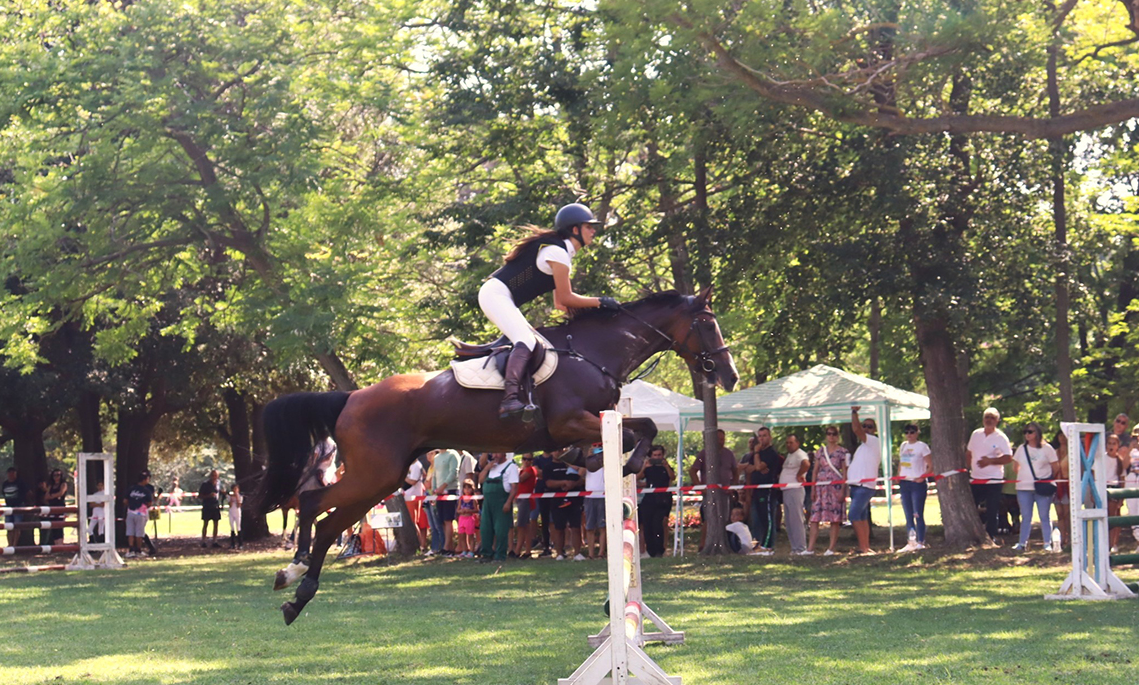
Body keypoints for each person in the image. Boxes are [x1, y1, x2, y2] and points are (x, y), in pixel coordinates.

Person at [479, 203, 617, 420]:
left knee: (536, 342)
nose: (593, 231)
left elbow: (561, 305)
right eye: (588, 226)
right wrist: (600, 302)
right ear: (574, 229)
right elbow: (566, 298)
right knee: (527, 340)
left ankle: (523, 395)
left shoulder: (560, 253)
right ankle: (509, 398)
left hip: (502, 297)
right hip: (496, 295)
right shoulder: (557, 253)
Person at [966, 407, 1012, 542]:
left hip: (994, 479)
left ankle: (991, 536)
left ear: (997, 421)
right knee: (972, 508)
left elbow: (1008, 458)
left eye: (992, 418)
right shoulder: (976, 434)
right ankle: (972, 534)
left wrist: (990, 461)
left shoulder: (1001, 438)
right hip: (976, 478)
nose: (989, 420)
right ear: (983, 419)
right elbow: (968, 453)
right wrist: (967, 468)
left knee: (992, 509)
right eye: (987, 417)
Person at [1011, 422, 1059, 552]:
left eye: (1030, 432)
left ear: (1037, 433)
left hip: (1042, 487)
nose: (1027, 434)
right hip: (1023, 488)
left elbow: (1055, 467)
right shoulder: (1021, 448)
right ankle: (1022, 543)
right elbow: (1015, 467)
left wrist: (1046, 479)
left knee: (1044, 515)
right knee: (1026, 516)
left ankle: (1047, 543)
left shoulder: (1047, 449)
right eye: (1025, 432)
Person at [688, 429, 739, 549]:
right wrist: (701, 488)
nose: (721, 442)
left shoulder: (729, 454)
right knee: (708, 518)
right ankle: (703, 544)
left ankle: (725, 543)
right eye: (718, 439)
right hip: (709, 493)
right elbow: (692, 470)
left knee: (725, 517)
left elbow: (735, 470)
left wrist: (733, 486)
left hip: (725, 492)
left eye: (722, 439)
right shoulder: (704, 454)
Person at [807, 426, 848, 556]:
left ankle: (831, 548)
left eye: (834, 434)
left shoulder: (843, 452)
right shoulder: (820, 451)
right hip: (821, 487)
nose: (831, 436)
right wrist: (813, 487)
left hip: (835, 486)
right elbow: (815, 470)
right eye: (829, 434)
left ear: (838, 436)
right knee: (814, 517)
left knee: (834, 518)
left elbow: (844, 471)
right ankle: (810, 548)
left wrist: (843, 489)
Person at [848, 406, 881, 554]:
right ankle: (866, 546)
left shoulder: (873, 441)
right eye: (864, 426)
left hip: (864, 486)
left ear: (874, 430)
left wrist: (854, 412)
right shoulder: (863, 446)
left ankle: (863, 547)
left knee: (853, 515)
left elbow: (856, 430)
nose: (866, 428)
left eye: (870, 426)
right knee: (862, 516)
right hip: (856, 485)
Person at [745, 427, 781, 554]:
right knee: (755, 520)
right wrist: (756, 466)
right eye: (759, 436)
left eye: (764, 435)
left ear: (770, 437)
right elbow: (749, 469)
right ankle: (756, 546)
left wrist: (757, 456)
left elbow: (759, 466)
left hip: (767, 490)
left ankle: (768, 546)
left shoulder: (771, 453)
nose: (761, 438)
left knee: (767, 519)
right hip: (755, 490)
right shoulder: (757, 453)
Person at [479, 452, 519, 562]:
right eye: (494, 453)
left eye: (497, 453)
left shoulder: (511, 467)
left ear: (504, 454)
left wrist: (508, 502)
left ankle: (500, 555)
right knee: (485, 529)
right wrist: (486, 468)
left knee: (501, 530)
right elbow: (481, 480)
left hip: (502, 502)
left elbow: (514, 487)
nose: (495, 456)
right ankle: (486, 554)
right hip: (487, 503)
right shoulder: (491, 466)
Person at [897, 424, 932, 551]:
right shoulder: (903, 446)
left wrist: (923, 477)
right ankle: (911, 541)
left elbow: (931, 464)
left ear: (917, 433)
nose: (909, 435)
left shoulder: (922, 446)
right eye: (907, 432)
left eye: (912, 432)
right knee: (908, 514)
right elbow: (901, 463)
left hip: (917, 484)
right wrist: (898, 476)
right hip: (905, 482)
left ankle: (920, 541)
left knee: (918, 513)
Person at [546, 451, 585, 561]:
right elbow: (548, 483)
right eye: (555, 450)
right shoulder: (548, 467)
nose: (558, 453)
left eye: (560, 450)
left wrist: (573, 484)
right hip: (557, 501)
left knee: (576, 527)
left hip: (574, 500)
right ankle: (559, 554)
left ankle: (577, 553)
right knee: (559, 528)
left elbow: (581, 479)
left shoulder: (571, 465)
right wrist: (563, 483)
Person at [638, 445, 675, 558]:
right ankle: (651, 551)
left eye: (659, 455)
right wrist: (644, 467)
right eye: (655, 455)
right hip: (649, 499)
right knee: (647, 525)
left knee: (658, 524)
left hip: (663, 499)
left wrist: (666, 465)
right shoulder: (648, 468)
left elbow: (672, 477)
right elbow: (637, 477)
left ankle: (660, 550)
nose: (657, 457)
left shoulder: (666, 467)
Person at [780, 434, 810, 555]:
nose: (788, 445)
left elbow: (806, 464)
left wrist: (799, 475)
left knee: (796, 519)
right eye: (787, 443)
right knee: (789, 520)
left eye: (791, 442)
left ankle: (801, 547)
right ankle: (794, 547)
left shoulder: (800, 454)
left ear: (797, 443)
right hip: (786, 490)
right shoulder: (790, 455)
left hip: (795, 489)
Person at [430, 448, 461, 557]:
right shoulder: (437, 457)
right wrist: (435, 490)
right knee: (442, 520)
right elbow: (434, 475)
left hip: (450, 490)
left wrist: (443, 486)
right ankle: (449, 547)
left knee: (448, 519)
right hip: (439, 493)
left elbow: (453, 472)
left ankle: (446, 547)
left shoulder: (453, 454)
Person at [1104, 433, 1127, 552]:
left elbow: (1122, 479)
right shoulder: (1102, 458)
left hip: (1115, 489)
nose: (1111, 446)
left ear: (1118, 446)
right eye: (1109, 443)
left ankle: (1113, 543)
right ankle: (1105, 543)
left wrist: (1121, 497)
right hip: (1104, 488)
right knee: (1105, 516)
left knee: (1114, 516)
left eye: (1114, 444)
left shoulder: (1119, 460)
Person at [512, 454, 537, 559]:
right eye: (524, 459)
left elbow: (519, 480)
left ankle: (517, 550)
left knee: (521, 525)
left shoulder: (530, 470)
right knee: (525, 526)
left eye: (529, 459)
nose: (526, 461)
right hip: (521, 499)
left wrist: (513, 472)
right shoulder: (523, 470)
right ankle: (527, 551)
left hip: (526, 499)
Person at [582, 448, 606, 559]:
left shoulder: (606, 464)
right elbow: (580, 473)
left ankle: (601, 553)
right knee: (590, 527)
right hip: (589, 497)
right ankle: (591, 554)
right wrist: (587, 459)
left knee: (603, 527)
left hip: (603, 496)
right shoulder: (587, 464)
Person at [125, 471, 155, 558]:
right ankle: (138, 550)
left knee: (130, 532)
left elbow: (125, 501)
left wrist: (132, 505)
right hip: (141, 514)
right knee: (139, 532)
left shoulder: (131, 489)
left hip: (130, 512)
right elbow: (149, 503)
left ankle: (131, 550)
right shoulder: (146, 491)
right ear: (145, 480)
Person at [404, 453, 430, 553]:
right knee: (416, 522)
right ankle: (421, 545)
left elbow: (413, 481)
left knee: (414, 522)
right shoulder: (412, 465)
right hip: (410, 496)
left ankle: (420, 544)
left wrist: (402, 477)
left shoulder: (416, 465)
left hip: (414, 497)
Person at [533, 450, 556, 556]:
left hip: (555, 491)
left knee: (555, 520)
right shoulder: (537, 459)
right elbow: (537, 472)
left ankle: (558, 545)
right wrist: (549, 473)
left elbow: (554, 473)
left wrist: (548, 474)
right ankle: (546, 546)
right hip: (541, 491)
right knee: (544, 520)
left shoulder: (555, 458)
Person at [1051, 430, 1071, 549]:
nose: (1062, 438)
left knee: (1067, 513)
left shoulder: (1072, 452)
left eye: (1064, 435)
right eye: (1060, 435)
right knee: (1060, 514)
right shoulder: (1054, 452)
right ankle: (1063, 537)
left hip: (1068, 485)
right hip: (1057, 485)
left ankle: (1070, 537)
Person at [39, 469, 68, 545]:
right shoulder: (51, 486)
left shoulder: (63, 484)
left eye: (58, 475)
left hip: (60, 507)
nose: (56, 477)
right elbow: (46, 496)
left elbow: (61, 493)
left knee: (59, 526)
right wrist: (54, 496)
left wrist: (52, 496)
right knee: (53, 527)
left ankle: (60, 544)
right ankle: (56, 545)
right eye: (55, 475)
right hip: (52, 507)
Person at [3, 467, 28, 547]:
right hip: (8, 507)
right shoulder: (5, 484)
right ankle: (10, 544)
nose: (11, 474)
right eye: (10, 473)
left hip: (18, 506)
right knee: (8, 526)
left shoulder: (20, 483)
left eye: (13, 473)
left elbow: (26, 493)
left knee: (17, 526)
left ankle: (14, 544)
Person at [455, 479, 480, 558]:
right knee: (462, 536)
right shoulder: (461, 499)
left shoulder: (473, 499)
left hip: (469, 518)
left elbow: (477, 510)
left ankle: (471, 551)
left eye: (469, 488)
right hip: (462, 519)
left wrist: (470, 510)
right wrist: (461, 511)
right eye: (465, 488)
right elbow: (458, 509)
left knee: (470, 536)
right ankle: (464, 550)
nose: (467, 490)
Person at [199, 470, 222, 548]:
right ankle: (203, 541)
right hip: (207, 506)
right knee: (205, 524)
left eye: (215, 475)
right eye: (213, 475)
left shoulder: (219, 483)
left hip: (215, 506)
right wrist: (208, 496)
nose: (214, 477)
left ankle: (214, 541)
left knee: (216, 524)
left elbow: (219, 492)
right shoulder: (205, 484)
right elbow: (200, 496)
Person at [228, 483, 243, 549]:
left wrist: (237, 498)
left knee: (238, 527)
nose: (235, 490)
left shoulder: (240, 496)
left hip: (237, 513)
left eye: (236, 489)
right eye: (234, 489)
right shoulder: (229, 496)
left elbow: (239, 505)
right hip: (231, 513)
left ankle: (240, 544)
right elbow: (230, 505)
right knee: (232, 527)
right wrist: (231, 498)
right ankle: (232, 544)